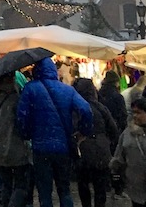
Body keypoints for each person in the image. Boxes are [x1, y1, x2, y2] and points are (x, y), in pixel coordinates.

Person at [16, 56, 93, 207]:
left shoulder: (30, 89)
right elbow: (86, 110)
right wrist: (83, 131)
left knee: (44, 192)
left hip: (40, 147)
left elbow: (22, 116)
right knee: (64, 190)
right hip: (63, 147)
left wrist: (26, 134)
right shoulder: (67, 90)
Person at [0, 70, 32, 207]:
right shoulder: (17, 98)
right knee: (20, 185)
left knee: (6, 184)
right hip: (15, 146)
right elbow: (23, 123)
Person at [74, 77, 119, 207]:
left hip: (82, 150)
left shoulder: (75, 108)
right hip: (100, 150)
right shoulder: (100, 107)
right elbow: (113, 129)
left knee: (83, 184)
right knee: (100, 186)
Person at [99, 70, 128, 135]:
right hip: (114, 128)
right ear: (116, 82)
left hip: (102, 128)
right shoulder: (117, 97)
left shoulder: (98, 94)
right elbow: (123, 116)